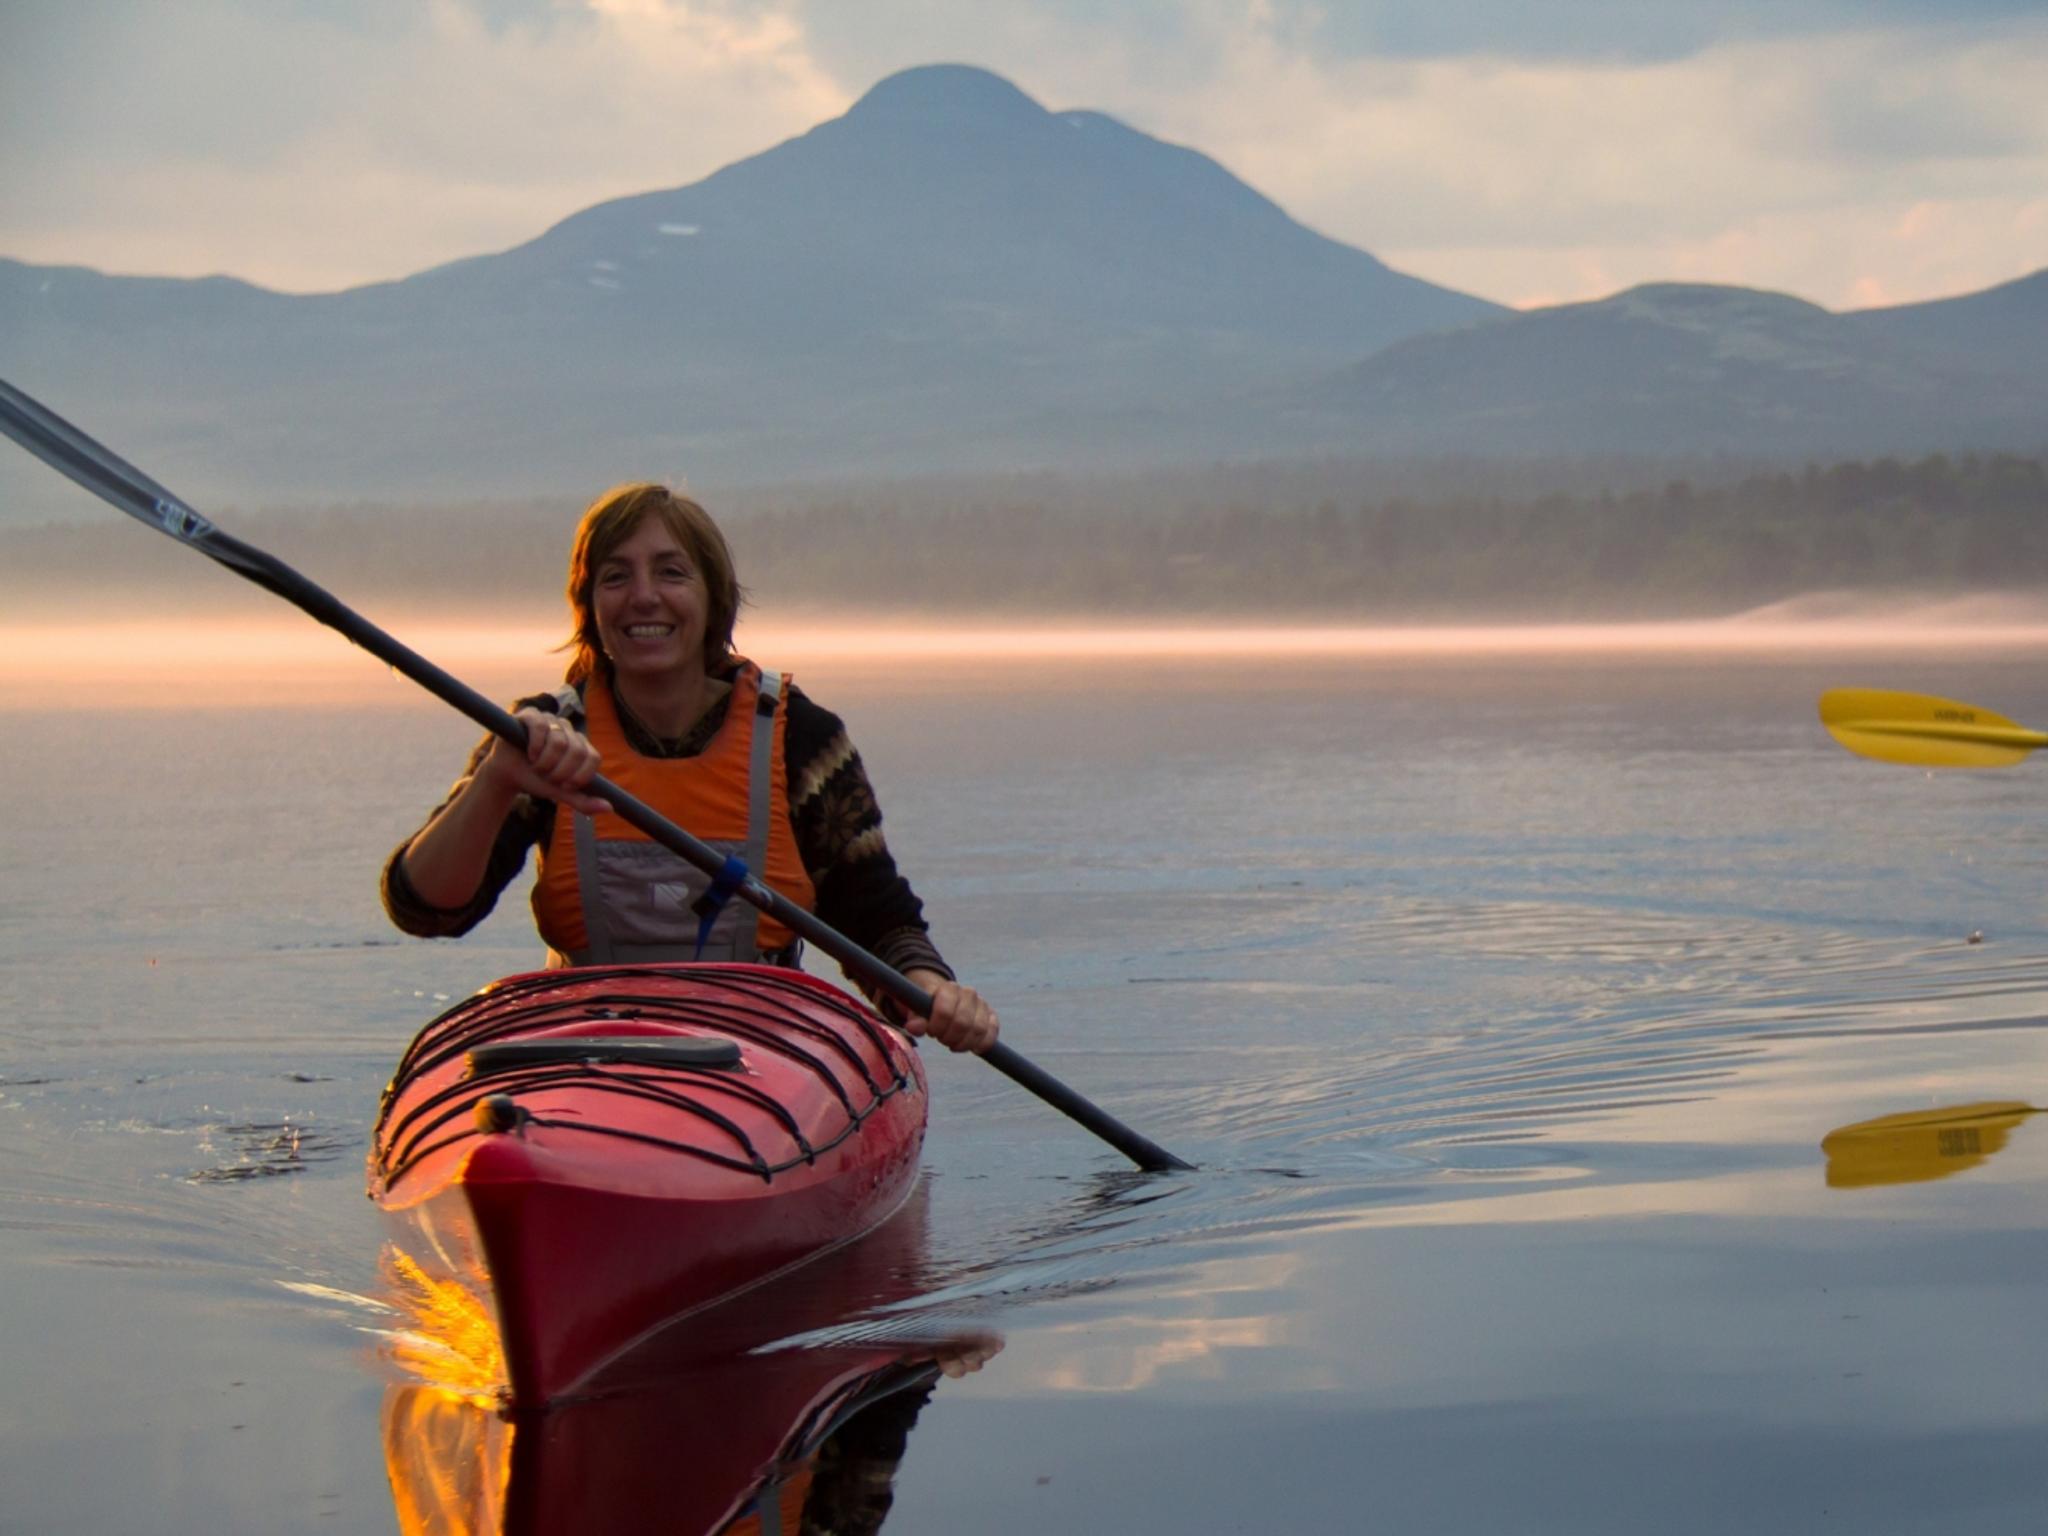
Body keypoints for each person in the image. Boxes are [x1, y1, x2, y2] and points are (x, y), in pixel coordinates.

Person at [380, 482, 998, 1054]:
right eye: (615, 577)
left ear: (712, 598)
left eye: (671, 573)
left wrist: (930, 990)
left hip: (764, 1055)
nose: (643, 596)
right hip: (589, 1054)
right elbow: (427, 909)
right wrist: (497, 778)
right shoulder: (543, 736)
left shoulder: (801, 738)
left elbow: (875, 919)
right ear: (589, 604)